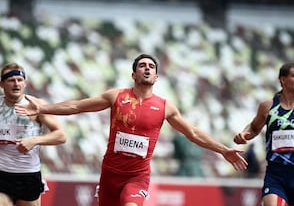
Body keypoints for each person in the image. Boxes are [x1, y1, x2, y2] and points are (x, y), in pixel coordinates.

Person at [15, 53, 248, 206]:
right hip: (109, 174)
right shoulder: (116, 96)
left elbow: (193, 133)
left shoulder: (165, 107)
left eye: (151, 67)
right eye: (142, 66)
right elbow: (77, 106)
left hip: (137, 177)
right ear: (133, 74)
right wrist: (44, 109)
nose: (146, 69)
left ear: (156, 76)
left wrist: (223, 150)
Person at [0, 63, 66, 206]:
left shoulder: (36, 105)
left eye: (19, 80)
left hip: (29, 176)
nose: (16, 84)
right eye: (11, 80)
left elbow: (60, 135)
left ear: (25, 83)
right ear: (2, 84)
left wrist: (34, 140)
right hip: (1, 175)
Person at [233, 62, 294, 206]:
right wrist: (244, 134)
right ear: (283, 79)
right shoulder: (267, 107)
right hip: (276, 175)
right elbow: (254, 128)